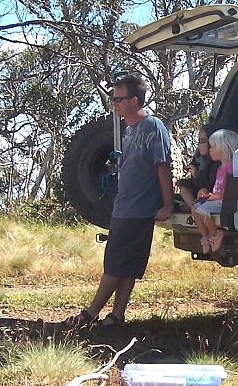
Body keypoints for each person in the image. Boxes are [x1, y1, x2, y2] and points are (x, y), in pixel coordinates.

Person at [65, 74, 173, 329]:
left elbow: (163, 166)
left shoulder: (153, 127)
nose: (115, 103)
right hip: (124, 207)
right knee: (125, 266)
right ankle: (117, 316)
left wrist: (167, 205)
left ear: (135, 101)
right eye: (114, 99)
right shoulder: (129, 129)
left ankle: (89, 315)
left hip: (138, 210)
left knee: (115, 266)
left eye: (119, 99)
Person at [191, 129, 238, 253]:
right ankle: (205, 236)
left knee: (203, 209)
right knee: (195, 207)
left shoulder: (231, 167)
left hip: (224, 202)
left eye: (213, 146)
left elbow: (227, 192)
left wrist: (211, 197)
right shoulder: (219, 168)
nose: (210, 149)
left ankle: (215, 234)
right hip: (217, 200)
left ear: (223, 148)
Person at [176, 125, 220, 213]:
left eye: (202, 141)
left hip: (212, 195)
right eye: (198, 141)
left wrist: (196, 175)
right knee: (184, 189)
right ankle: (194, 208)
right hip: (201, 194)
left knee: (202, 191)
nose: (199, 145)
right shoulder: (199, 158)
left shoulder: (217, 162)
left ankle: (197, 210)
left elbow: (210, 186)